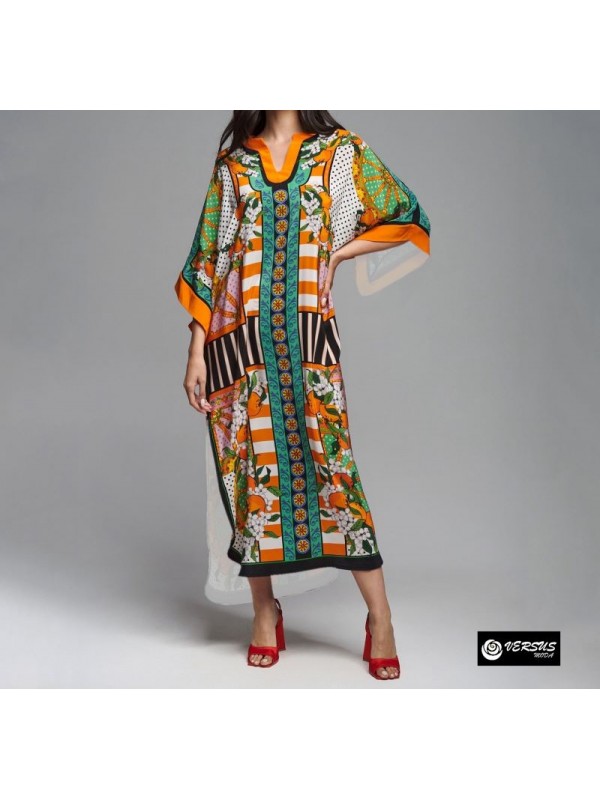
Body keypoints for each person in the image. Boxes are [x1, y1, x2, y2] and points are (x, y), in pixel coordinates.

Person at [174, 110, 431, 678]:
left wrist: (339, 251)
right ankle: (264, 613)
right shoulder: (235, 163)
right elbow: (212, 257)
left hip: (308, 342)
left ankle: (381, 618)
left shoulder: (338, 152)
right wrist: (196, 349)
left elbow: (405, 214)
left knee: (336, 472)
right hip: (242, 345)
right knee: (252, 476)